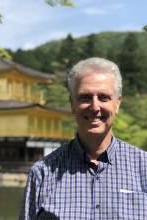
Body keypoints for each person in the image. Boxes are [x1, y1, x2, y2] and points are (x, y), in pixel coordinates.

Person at [19, 57, 147, 219]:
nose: (94, 107)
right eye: (85, 97)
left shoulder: (144, 168)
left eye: (103, 97)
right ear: (72, 103)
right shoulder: (42, 173)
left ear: (117, 104)